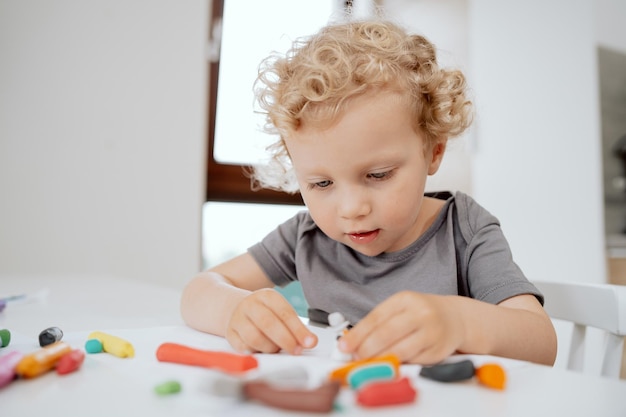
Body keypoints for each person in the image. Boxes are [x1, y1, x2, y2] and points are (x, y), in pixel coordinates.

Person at [181, 19, 557, 366]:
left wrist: (458, 322)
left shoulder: (465, 229)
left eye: (378, 175)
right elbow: (199, 291)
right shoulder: (306, 236)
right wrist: (236, 311)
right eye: (322, 184)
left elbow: (541, 342)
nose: (351, 208)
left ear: (434, 151)